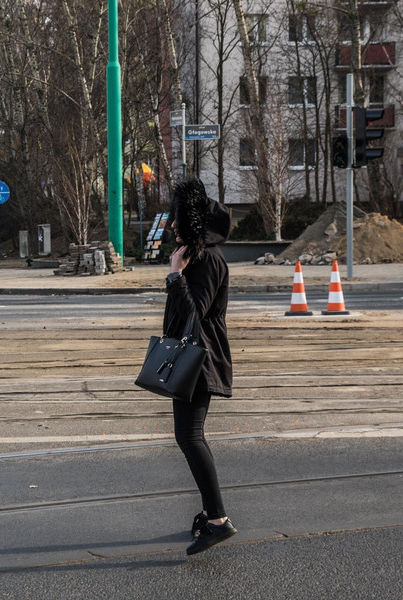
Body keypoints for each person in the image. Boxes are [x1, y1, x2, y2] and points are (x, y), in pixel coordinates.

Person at [162, 178, 235, 556]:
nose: (172, 224)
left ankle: (218, 520)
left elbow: (194, 313)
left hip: (200, 360)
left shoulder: (206, 262)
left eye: (176, 218)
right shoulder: (197, 256)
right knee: (189, 436)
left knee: (190, 437)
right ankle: (212, 514)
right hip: (194, 358)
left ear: (190, 220)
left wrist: (176, 276)